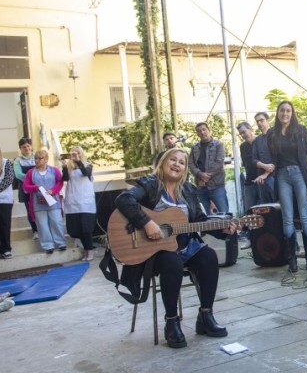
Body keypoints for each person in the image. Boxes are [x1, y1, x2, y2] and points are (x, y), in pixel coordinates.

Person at [114, 148, 235, 348]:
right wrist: (147, 223)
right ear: (163, 162)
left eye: (182, 162)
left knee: (209, 257)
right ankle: (171, 321)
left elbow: (199, 220)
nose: (177, 164)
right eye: (173, 159)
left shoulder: (188, 190)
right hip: (154, 251)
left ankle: (205, 316)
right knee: (172, 263)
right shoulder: (150, 184)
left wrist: (224, 230)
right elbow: (123, 200)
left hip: (185, 246)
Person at [267, 101, 307, 272]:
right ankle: (292, 259)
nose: (285, 114)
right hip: (282, 175)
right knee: (287, 217)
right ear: (278, 113)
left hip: (298, 173)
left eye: (288, 111)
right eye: (282, 111)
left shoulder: (301, 130)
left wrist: (303, 172)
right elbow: (272, 158)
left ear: (292, 113)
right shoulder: (272, 134)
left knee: (304, 215)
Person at [23, 149, 66, 254]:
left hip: (53, 202)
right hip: (38, 203)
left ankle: (60, 243)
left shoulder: (54, 170)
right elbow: (25, 186)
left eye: (39, 158)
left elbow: (60, 182)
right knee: (42, 225)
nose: (37, 160)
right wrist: (35, 188)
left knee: (57, 222)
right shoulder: (30, 172)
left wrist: (53, 191)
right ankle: (48, 245)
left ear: (46, 159)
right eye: (35, 158)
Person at [62, 146, 97, 261]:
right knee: (77, 228)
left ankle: (90, 250)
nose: (75, 155)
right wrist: (64, 165)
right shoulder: (69, 168)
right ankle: (86, 250)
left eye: (77, 153)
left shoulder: (88, 165)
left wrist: (79, 161)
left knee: (86, 228)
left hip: (85, 202)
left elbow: (86, 173)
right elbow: (65, 178)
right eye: (73, 153)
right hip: (73, 201)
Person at [188, 122, 228, 215]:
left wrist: (205, 178)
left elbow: (219, 162)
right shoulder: (195, 147)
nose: (202, 132)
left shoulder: (218, 144)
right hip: (201, 187)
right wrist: (199, 174)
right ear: (197, 134)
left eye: (204, 129)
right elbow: (190, 163)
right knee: (204, 215)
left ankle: (227, 230)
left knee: (224, 213)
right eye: (199, 131)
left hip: (217, 186)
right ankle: (209, 230)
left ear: (209, 130)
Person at [237, 121, 275, 213]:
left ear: (250, 129)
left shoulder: (261, 141)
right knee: (249, 211)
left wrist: (265, 174)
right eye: (241, 133)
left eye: (244, 132)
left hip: (262, 181)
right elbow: (245, 163)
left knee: (264, 210)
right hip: (249, 182)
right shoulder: (243, 146)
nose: (243, 135)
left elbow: (270, 161)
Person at [14, 137, 37, 240]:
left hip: (37, 187)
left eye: (28, 146)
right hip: (26, 189)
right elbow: (18, 174)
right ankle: (35, 230)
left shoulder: (37, 157)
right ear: (20, 149)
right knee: (30, 210)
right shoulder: (17, 161)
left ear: (31, 146)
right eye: (24, 147)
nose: (26, 148)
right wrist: (32, 178)